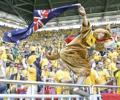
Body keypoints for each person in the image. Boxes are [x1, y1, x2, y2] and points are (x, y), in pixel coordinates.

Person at [46, 5, 111, 96]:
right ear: (98, 31)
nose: (101, 36)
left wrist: (108, 32)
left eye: (103, 36)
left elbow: (103, 45)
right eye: (101, 33)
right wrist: (84, 15)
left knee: (86, 70)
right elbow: (86, 25)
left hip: (71, 53)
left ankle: (77, 87)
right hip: (70, 52)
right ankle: (76, 88)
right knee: (85, 69)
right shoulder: (89, 34)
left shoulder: (93, 43)